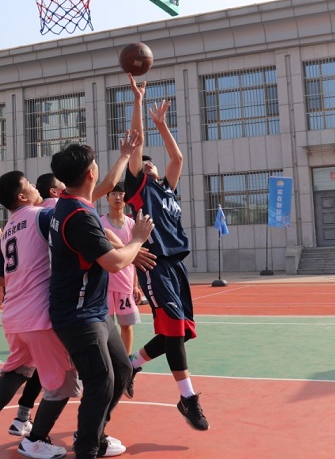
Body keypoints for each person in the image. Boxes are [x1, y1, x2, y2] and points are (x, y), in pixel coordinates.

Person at [49, 143, 155, 459]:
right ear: (89, 173)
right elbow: (114, 263)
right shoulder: (79, 215)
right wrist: (136, 240)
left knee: (122, 371)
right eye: (96, 164)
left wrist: (125, 155)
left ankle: (94, 433)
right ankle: (87, 447)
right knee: (100, 381)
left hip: (94, 311)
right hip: (78, 315)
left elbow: (108, 184)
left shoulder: (71, 199)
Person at [0, 170, 81, 459]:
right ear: (22, 195)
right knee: (62, 381)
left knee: (17, 369)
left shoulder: (7, 230)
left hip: (13, 315)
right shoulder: (42, 216)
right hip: (38, 315)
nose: (34, 185)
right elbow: (78, 217)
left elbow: (0, 278)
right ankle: (35, 441)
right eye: (29, 183)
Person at [124, 74, 209, 430]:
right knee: (174, 330)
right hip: (155, 264)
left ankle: (131, 365)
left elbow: (178, 156)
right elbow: (137, 141)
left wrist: (163, 125)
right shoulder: (139, 189)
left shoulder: (168, 189)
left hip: (177, 266)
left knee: (180, 332)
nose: (148, 164)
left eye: (151, 163)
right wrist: (139, 102)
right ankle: (187, 398)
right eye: (143, 164)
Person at [99, 183, 143, 358]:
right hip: (105, 284)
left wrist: (135, 285)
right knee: (105, 327)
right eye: (114, 194)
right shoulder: (100, 223)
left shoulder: (132, 224)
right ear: (107, 198)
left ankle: (126, 362)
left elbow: (135, 257)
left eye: (121, 193)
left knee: (126, 326)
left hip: (125, 284)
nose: (118, 197)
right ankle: (109, 361)